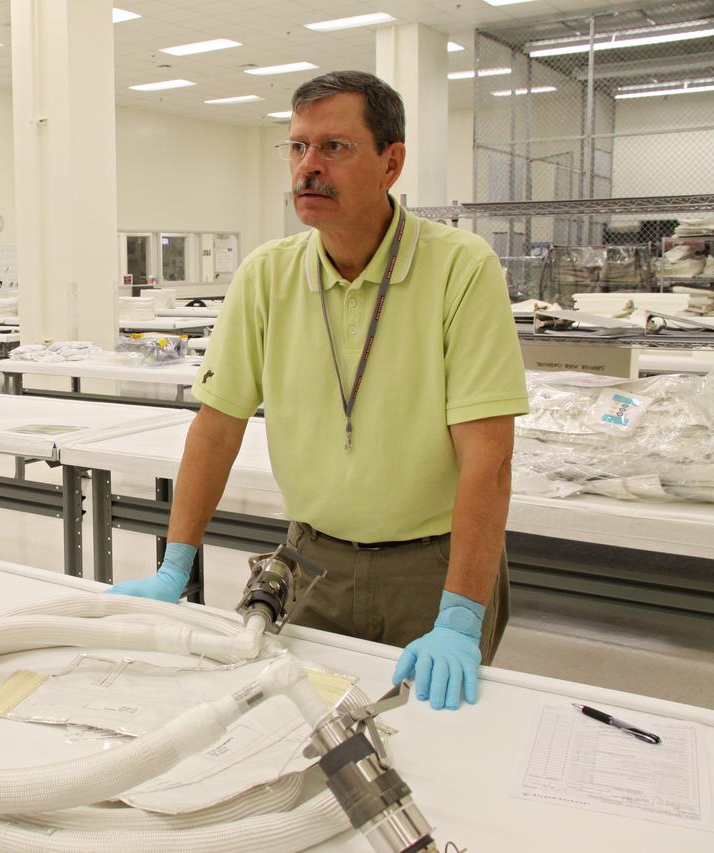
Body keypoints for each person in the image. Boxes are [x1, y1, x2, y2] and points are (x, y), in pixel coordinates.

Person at [108, 71, 528, 711]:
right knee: (303, 734)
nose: (308, 167)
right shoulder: (266, 275)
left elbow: (488, 457)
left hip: (432, 569)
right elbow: (216, 428)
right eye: (298, 147)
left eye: (335, 147)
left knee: (427, 753)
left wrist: (461, 616)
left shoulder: (461, 268)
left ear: (392, 162)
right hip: (312, 562)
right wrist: (176, 566)